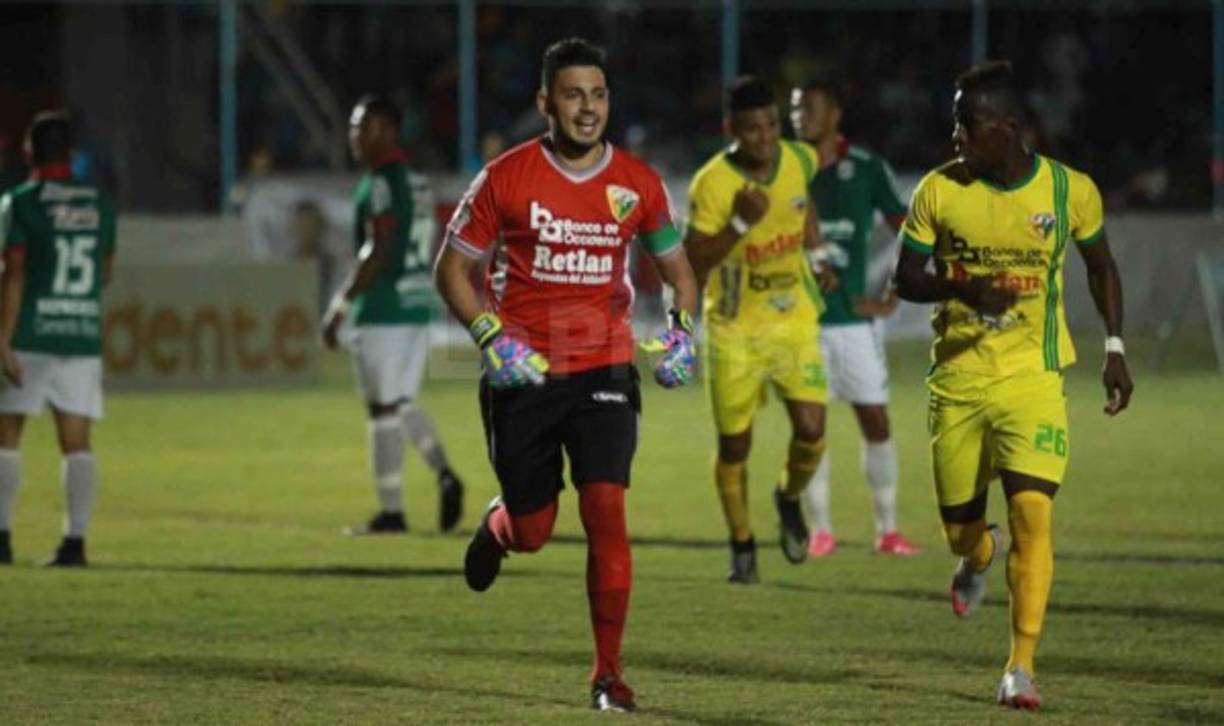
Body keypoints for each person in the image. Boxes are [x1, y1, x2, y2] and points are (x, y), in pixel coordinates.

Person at [434, 38, 697, 712]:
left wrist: (681, 334)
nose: (588, 109)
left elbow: (678, 272)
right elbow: (451, 272)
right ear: (545, 102)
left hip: (603, 365)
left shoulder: (638, 184)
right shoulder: (503, 178)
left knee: (606, 506)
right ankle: (500, 529)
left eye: (599, 95)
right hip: (522, 373)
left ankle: (607, 675)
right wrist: (491, 338)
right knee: (536, 529)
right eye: (574, 95)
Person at [893, 61, 1133, 710]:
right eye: (954, 124)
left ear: (1005, 128)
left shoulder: (1069, 191)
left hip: (1033, 380)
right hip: (959, 382)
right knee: (961, 533)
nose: (955, 137)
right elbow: (904, 280)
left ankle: (1019, 668)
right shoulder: (938, 192)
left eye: (965, 125)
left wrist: (1114, 346)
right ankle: (977, 557)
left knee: (1034, 513)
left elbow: (1101, 266)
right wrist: (965, 287)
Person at [684, 76, 835, 584]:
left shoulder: (798, 159)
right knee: (735, 448)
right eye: (752, 129)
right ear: (731, 129)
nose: (765, 137)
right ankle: (742, 542)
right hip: (733, 330)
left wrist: (816, 255)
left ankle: (788, 497)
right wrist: (740, 227)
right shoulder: (712, 184)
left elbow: (803, 202)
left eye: (771, 125)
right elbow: (690, 260)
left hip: (792, 319)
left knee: (813, 430)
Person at [320, 95, 463, 536]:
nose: (355, 137)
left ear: (387, 131)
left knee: (382, 409)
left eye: (363, 127)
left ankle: (392, 513)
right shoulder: (418, 184)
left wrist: (340, 304)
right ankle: (442, 472)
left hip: (383, 308)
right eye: (353, 127)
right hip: (417, 304)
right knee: (400, 403)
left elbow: (377, 248)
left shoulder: (379, 183)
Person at [789, 81, 921, 557]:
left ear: (835, 113)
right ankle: (821, 530)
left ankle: (887, 530)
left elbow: (909, 231)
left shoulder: (865, 169)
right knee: (810, 427)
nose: (800, 115)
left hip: (852, 323)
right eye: (795, 108)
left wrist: (893, 293)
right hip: (799, 325)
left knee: (876, 420)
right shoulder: (783, 167)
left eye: (810, 107)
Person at [0, 111, 116, 567]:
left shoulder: (20, 202)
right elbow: (104, 272)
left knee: (6, 436)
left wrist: (2, 338)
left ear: (29, 151)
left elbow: (13, 273)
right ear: (71, 154)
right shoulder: (99, 203)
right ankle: (75, 543)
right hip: (80, 333)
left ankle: (2, 538)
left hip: (28, 332)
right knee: (77, 440)